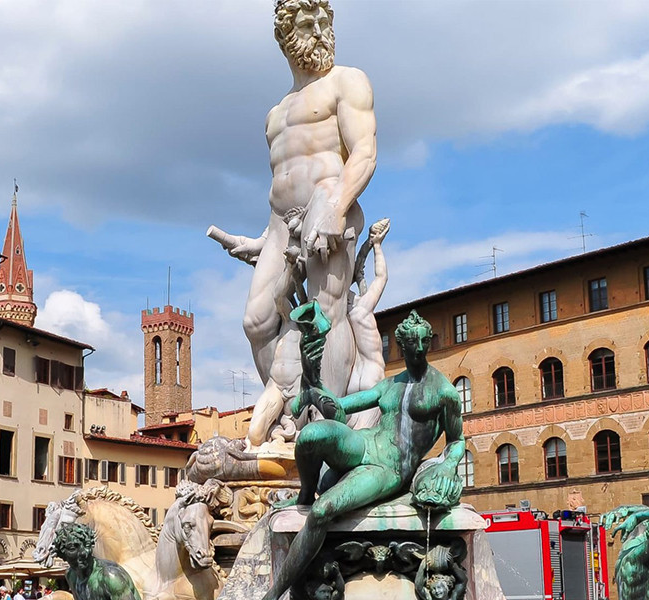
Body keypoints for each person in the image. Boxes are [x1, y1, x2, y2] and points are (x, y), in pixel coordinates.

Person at [208, 0, 377, 449]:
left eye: (325, 20)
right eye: (308, 21)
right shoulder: (275, 114)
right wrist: (262, 240)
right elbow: (283, 184)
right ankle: (289, 411)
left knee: (325, 315)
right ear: (285, 34)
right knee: (257, 320)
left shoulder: (347, 81)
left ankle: (323, 426)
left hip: (329, 203)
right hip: (282, 223)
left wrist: (337, 206)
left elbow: (364, 153)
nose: (320, 29)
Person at [263, 309, 466, 600]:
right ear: (402, 345)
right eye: (413, 342)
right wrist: (313, 385)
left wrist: (448, 466)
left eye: (424, 341)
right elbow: (340, 409)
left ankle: (274, 593)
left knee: (322, 512)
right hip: (365, 442)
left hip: (389, 467)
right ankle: (305, 495)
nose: (420, 348)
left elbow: (457, 440)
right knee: (311, 434)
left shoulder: (444, 392)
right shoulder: (390, 385)